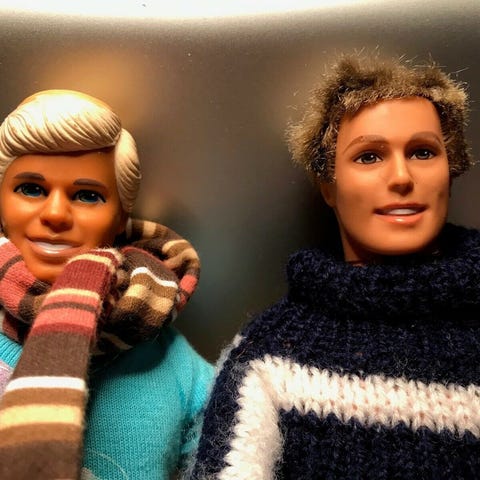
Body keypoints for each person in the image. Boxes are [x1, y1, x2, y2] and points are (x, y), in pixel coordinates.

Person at [186, 55, 480, 479]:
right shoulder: (271, 356)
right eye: (369, 157)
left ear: (450, 172)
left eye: (422, 152)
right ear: (328, 185)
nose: (401, 177)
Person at [0, 90, 213, 480]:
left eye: (87, 196)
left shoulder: (174, 365)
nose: (55, 214)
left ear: (120, 216)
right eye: (31, 189)